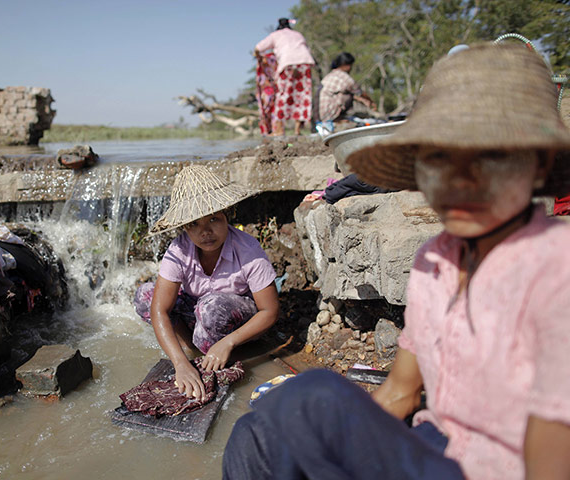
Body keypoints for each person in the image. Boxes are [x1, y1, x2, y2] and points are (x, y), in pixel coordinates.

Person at [223, 43, 570, 479]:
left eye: (490, 158)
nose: (459, 182)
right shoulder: (436, 261)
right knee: (259, 433)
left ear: (537, 165)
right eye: (440, 159)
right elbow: (401, 394)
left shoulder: (555, 270)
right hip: (434, 446)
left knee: (313, 394)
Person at [134, 165, 280, 403]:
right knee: (145, 295)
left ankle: (219, 351)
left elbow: (270, 311)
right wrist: (180, 363)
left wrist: (228, 342)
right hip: (198, 313)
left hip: (234, 319)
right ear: (184, 227)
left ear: (227, 214)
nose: (206, 232)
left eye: (214, 219)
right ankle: (192, 351)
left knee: (211, 308)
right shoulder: (179, 249)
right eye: (194, 224)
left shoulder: (247, 249)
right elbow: (159, 309)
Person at [254, 18, 315, 136]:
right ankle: (297, 130)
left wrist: (259, 57)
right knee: (302, 97)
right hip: (305, 63)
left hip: (287, 64)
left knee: (283, 95)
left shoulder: (275, 35)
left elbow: (258, 48)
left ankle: (279, 130)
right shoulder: (298, 35)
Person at [319, 52, 376, 123]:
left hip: (322, 113)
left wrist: (362, 100)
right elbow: (360, 92)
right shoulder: (346, 78)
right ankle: (337, 119)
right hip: (330, 114)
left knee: (349, 94)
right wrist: (371, 102)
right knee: (349, 95)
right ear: (346, 65)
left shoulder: (330, 75)